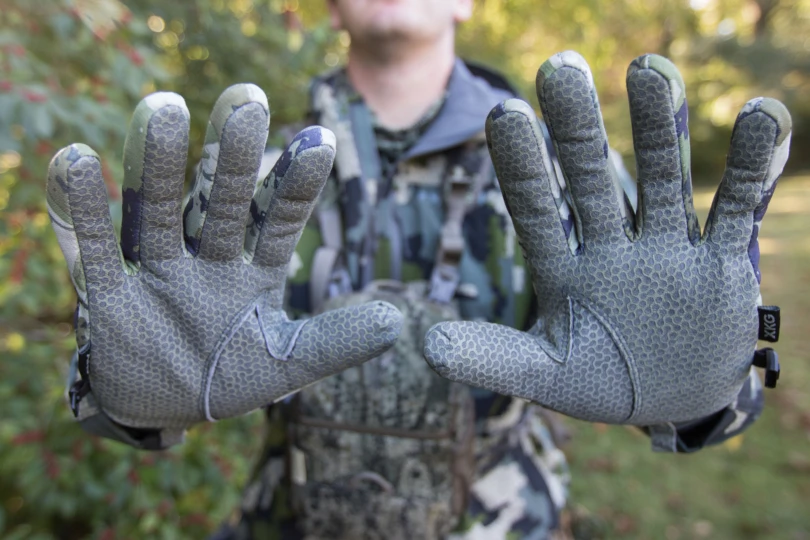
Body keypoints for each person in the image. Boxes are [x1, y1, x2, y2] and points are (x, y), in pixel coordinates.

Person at [46, 0, 789, 538]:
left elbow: (718, 405)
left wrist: (701, 395)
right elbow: (130, 386)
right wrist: (131, 399)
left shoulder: (567, 174)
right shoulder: (252, 181)